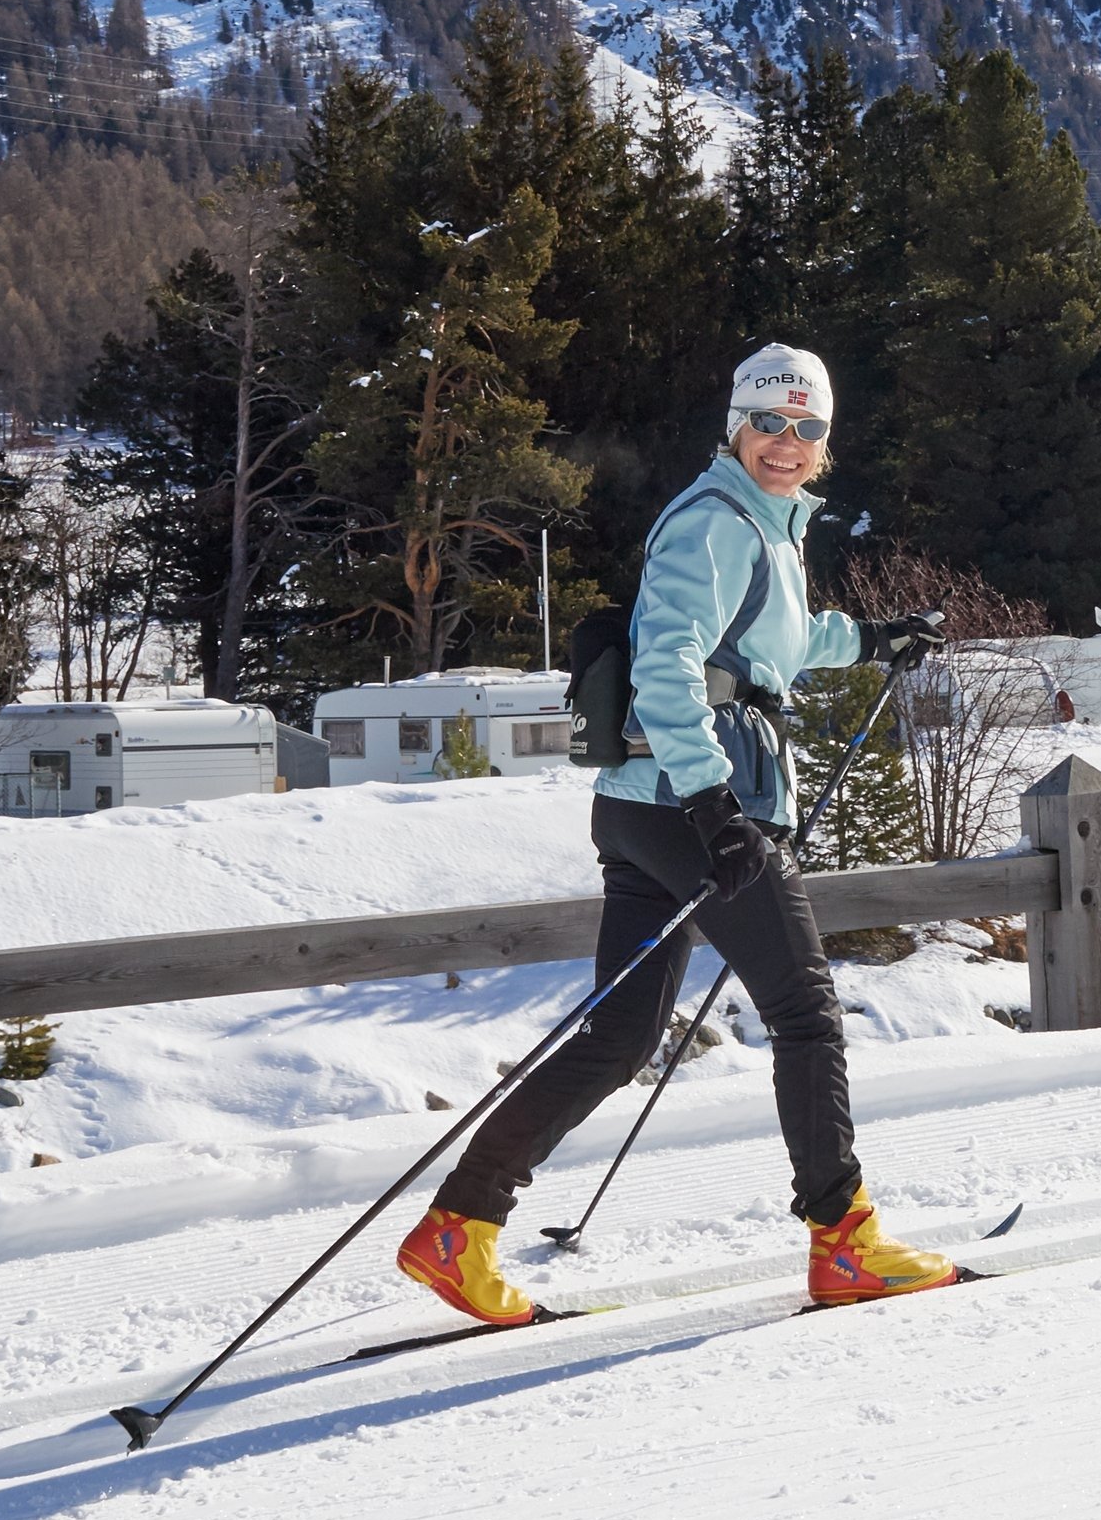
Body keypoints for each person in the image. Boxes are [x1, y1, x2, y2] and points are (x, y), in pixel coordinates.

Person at [396, 343, 956, 1324]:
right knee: (807, 1017)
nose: (785, 444)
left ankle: (459, 1230)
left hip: (645, 806)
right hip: (692, 804)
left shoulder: (763, 530)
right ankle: (845, 1242)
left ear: (824, 444)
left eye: (807, 428)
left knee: (619, 1036)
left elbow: (772, 647)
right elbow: (668, 663)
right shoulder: (714, 523)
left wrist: (869, 638)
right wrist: (711, 805)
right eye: (768, 422)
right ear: (734, 424)